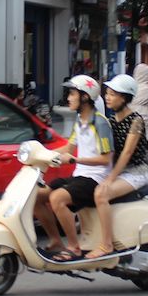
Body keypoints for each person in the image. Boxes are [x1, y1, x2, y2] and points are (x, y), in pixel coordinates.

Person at [34, 76, 109, 259]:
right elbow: (68, 147)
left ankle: (74, 247)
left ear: (84, 97)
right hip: (79, 175)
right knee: (35, 195)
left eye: (72, 93)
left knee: (57, 198)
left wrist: (75, 160)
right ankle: (56, 241)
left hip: (95, 179)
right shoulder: (79, 121)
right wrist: (39, 153)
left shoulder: (100, 123)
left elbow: (106, 159)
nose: (68, 98)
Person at [87, 75, 148, 260]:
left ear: (124, 98)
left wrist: (110, 178)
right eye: (107, 93)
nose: (107, 97)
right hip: (116, 172)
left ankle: (107, 245)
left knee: (101, 193)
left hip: (134, 173)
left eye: (113, 94)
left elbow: (127, 153)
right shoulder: (111, 121)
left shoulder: (136, 120)